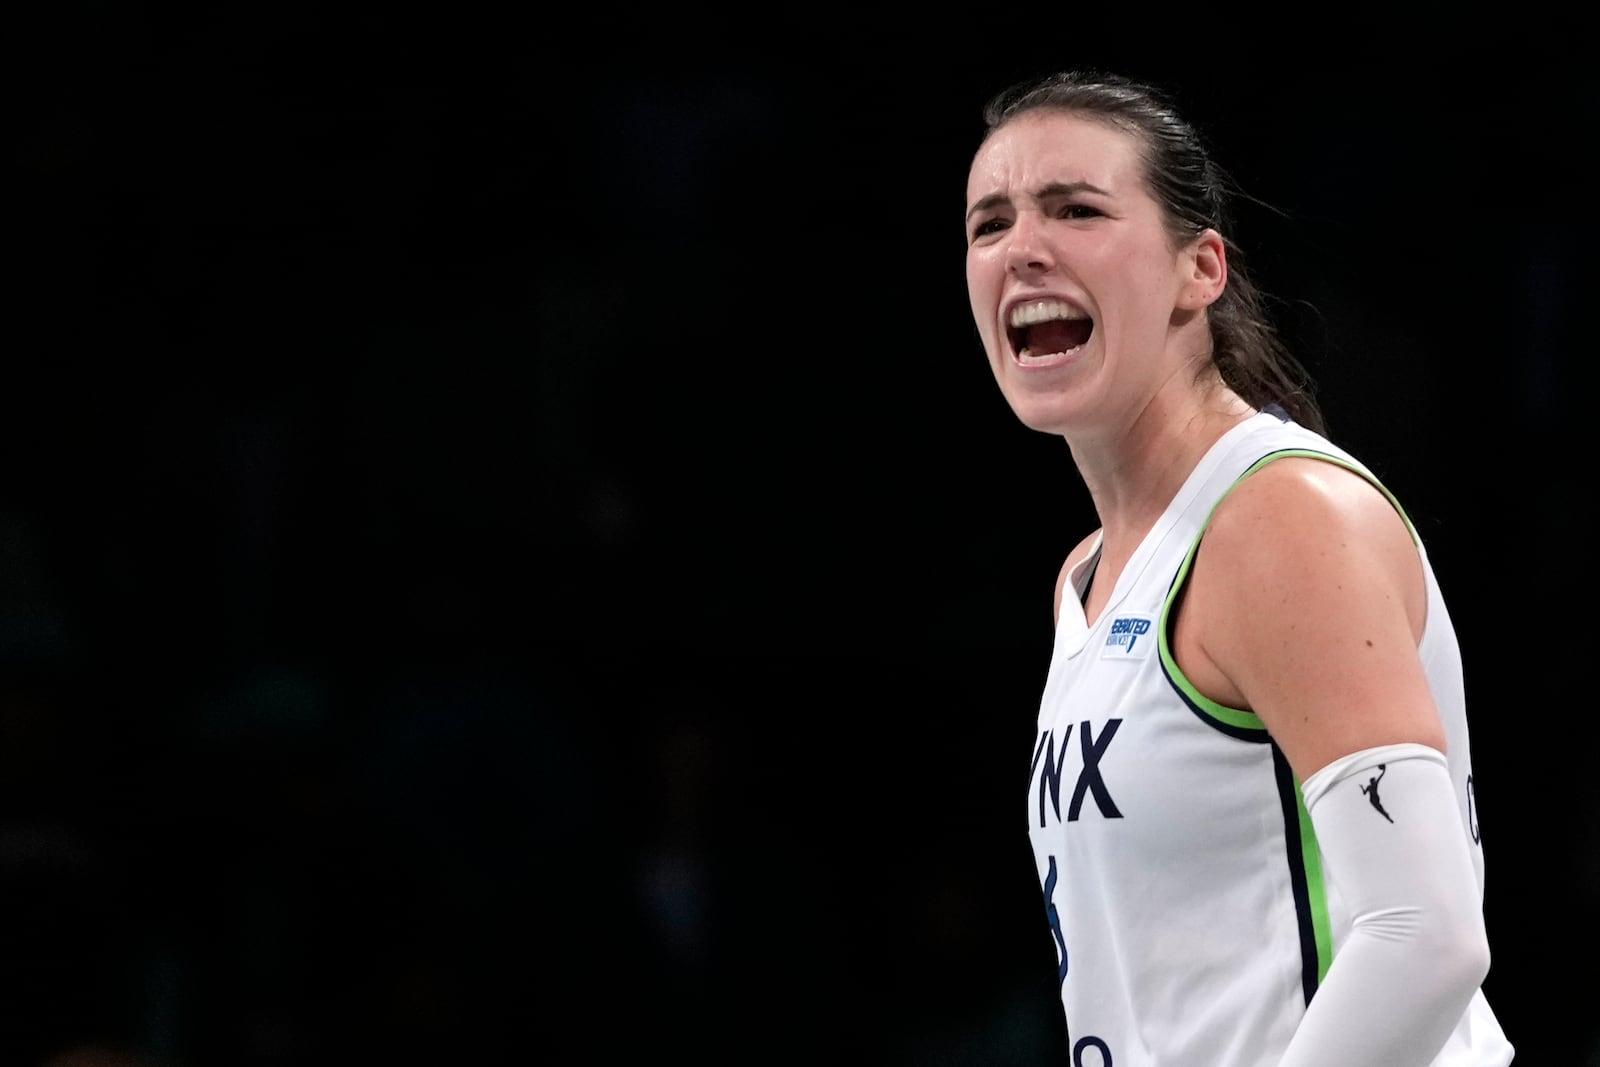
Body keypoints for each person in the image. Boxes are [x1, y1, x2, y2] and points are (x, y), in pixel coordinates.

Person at [963, 70, 1514, 1065]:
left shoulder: (1276, 516)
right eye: (989, 222)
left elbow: (1425, 935)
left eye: (1075, 209)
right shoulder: (1086, 578)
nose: (1023, 248)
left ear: (1199, 269)